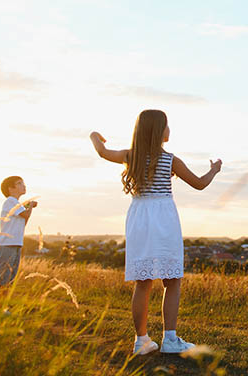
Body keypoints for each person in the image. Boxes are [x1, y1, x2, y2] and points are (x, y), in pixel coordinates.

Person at [90, 109, 222, 356]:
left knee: (143, 282)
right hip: (163, 218)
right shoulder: (171, 160)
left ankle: (141, 341)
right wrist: (214, 169)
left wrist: (94, 134)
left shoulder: (130, 157)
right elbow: (200, 184)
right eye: (166, 125)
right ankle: (170, 339)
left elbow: (101, 151)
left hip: (139, 218)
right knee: (172, 281)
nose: (169, 129)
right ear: (158, 131)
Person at [0, 176, 37, 292]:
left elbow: (23, 222)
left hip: (15, 244)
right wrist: (30, 206)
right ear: (10, 188)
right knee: (2, 278)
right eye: (19, 183)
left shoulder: (17, 204)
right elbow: (26, 215)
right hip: (7, 244)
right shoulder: (10, 201)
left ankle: (3, 308)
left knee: (9, 279)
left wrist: (27, 207)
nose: (24, 185)